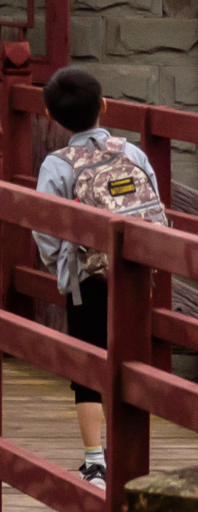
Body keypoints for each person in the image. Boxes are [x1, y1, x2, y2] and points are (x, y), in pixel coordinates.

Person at [31, 66, 165, 486]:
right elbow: (154, 201)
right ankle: (131, 449)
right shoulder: (133, 153)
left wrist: (63, 269)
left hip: (86, 279)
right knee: (131, 357)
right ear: (104, 106)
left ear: (51, 117)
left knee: (89, 364)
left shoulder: (57, 163)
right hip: (136, 273)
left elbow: (44, 226)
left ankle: (95, 461)